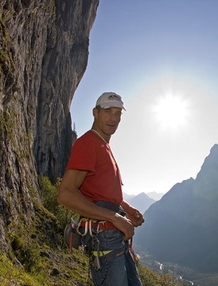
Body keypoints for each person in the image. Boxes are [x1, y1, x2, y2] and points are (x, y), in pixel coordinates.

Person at [58, 92, 144, 286]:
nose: (114, 118)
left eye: (118, 113)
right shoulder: (88, 143)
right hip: (105, 238)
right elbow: (66, 194)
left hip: (114, 236)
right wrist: (114, 217)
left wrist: (126, 208)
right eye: (107, 111)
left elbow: (100, 191)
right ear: (95, 112)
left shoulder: (103, 146)